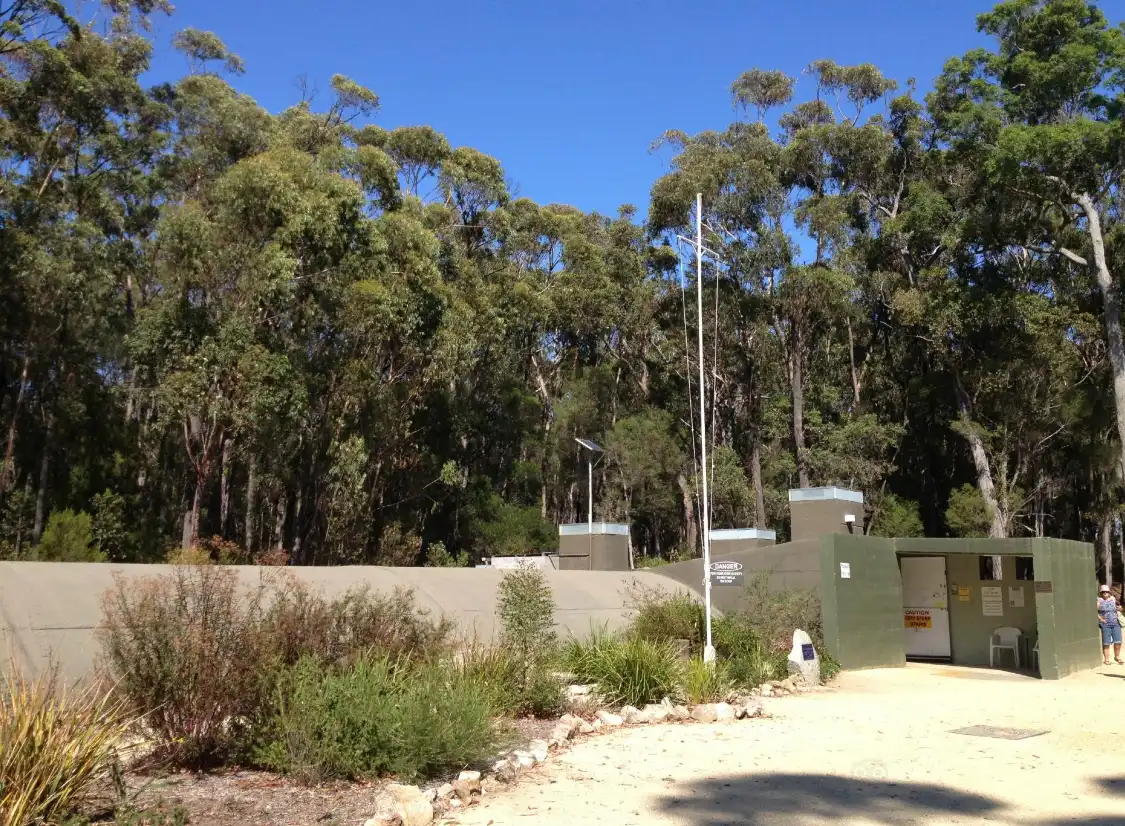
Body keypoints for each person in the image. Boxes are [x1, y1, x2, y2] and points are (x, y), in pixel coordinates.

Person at [1097, 585, 1123, 665]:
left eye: (1106, 591)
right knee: (1106, 642)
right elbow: (1095, 611)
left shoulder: (1113, 599)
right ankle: (1107, 659)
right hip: (1105, 624)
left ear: (1109, 592)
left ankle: (1117, 657)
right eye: (1103, 592)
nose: (1105, 593)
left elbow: (1120, 609)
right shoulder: (1099, 600)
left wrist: (1120, 608)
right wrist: (1101, 619)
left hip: (1115, 623)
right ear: (1101, 593)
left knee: (1118, 641)